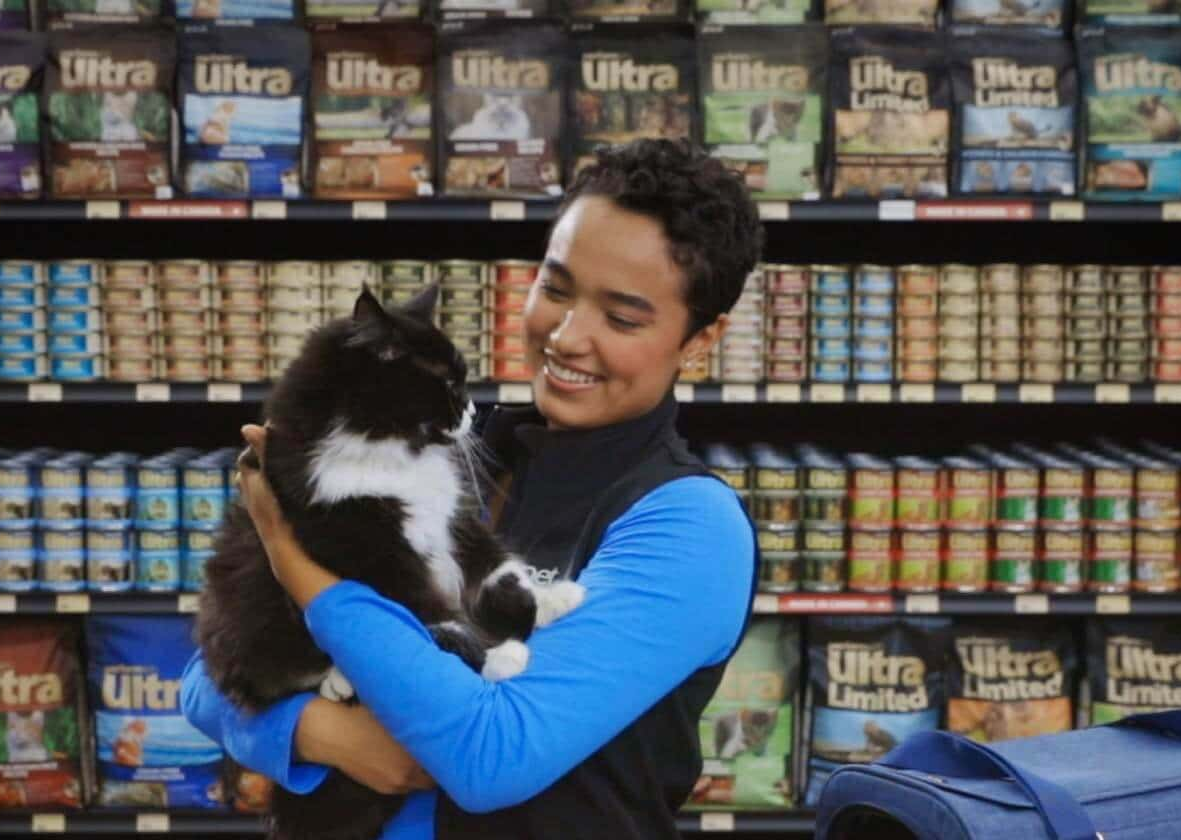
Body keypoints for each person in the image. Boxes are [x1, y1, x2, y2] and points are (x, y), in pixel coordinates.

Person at [181, 138, 763, 839]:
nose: (568, 336)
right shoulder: (449, 452)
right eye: (555, 288)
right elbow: (206, 680)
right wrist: (323, 734)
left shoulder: (689, 525)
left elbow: (490, 755)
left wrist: (295, 562)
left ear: (700, 341)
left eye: (622, 317)